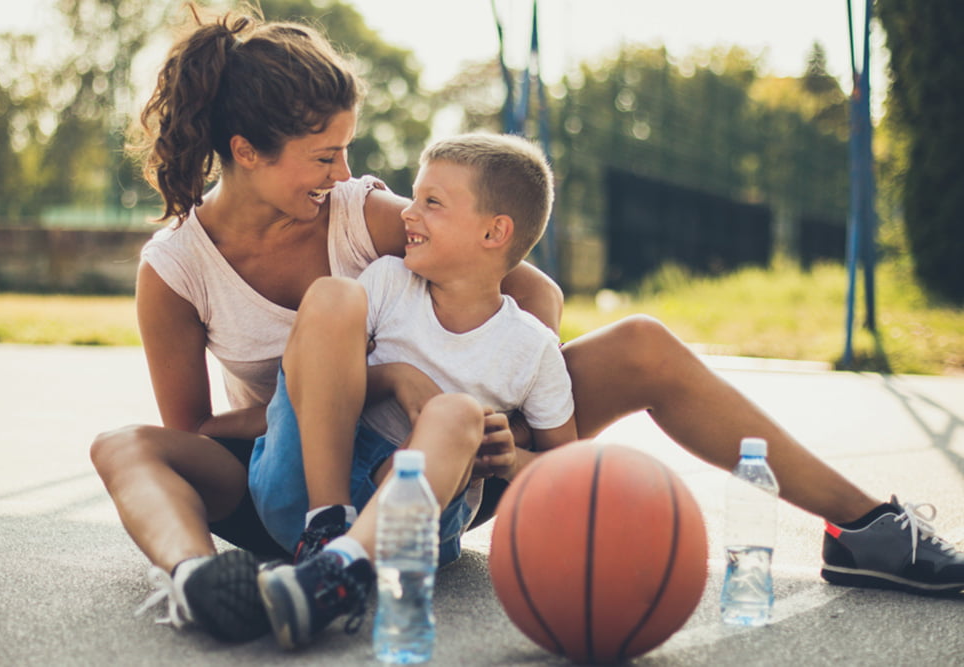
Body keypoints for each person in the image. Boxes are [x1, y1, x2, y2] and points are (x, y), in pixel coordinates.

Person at [89, 3, 963, 646]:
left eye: (347, 150)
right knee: (127, 443)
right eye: (324, 155)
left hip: (442, 455)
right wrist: (361, 377)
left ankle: (868, 527)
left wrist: (482, 398)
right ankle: (202, 578)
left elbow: (525, 290)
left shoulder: (362, 212)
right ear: (246, 152)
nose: (346, 170)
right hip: (294, 479)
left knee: (644, 344)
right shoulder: (176, 268)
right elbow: (195, 435)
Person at [250, 133, 578, 647]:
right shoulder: (385, 281)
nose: (408, 212)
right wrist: (395, 378)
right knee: (333, 295)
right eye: (415, 196)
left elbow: (569, 474)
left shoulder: (533, 348)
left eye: (432, 202)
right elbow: (320, 381)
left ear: (495, 232)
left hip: (420, 524)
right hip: (319, 481)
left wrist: (512, 460)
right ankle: (327, 532)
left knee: (458, 413)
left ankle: (336, 572)